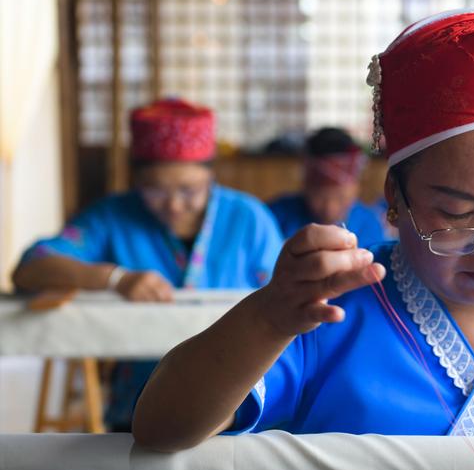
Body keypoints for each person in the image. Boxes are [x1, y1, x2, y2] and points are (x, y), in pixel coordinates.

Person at [133, 10, 474, 452]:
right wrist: (269, 317)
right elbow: (159, 430)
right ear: (394, 201)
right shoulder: (329, 314)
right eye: (455, 213)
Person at [14, 97, 283, 431]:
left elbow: (284, 297)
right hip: (139, 409)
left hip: (238, 405)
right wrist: (115, 279)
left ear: (210, 177)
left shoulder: (248, 219)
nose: (173, 205)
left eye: (189, 190)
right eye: (155, 190)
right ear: (137, 181)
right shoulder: (113, 216)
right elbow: (31, 267)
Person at [267, 127, 385, 246]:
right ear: (305, 186)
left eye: (340, 198)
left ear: (356, 187)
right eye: (320, 197)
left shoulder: (369, 225)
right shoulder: (276, 217)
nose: (330, 209)